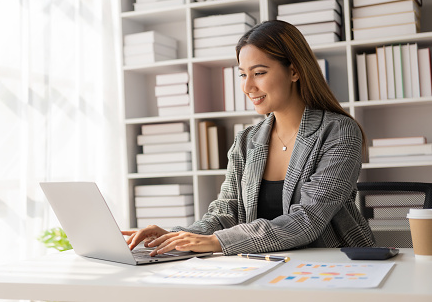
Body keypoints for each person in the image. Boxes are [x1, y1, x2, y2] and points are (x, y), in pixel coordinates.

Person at [123, 20, 375, 256]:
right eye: (243, 74)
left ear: (295, 71)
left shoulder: (338, 132)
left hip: (335, 265)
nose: (247, 87)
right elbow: (226, 212)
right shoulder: (246, 140)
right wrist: (177, 236)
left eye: (259, 73)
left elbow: (308, 219)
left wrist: (218, 242)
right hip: (266, 264)